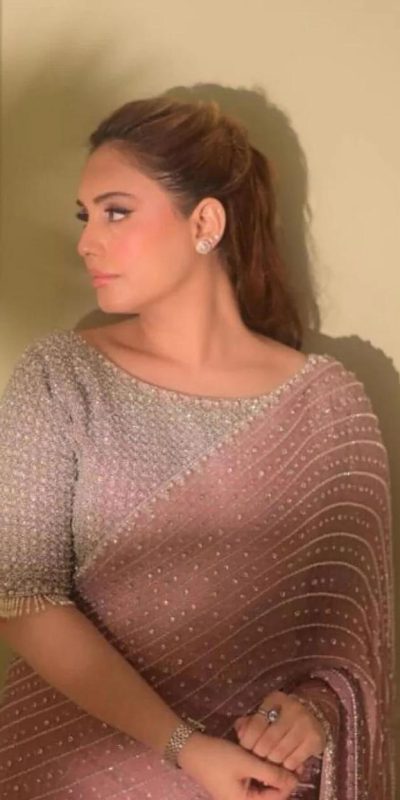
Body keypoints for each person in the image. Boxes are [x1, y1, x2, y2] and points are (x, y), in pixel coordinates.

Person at [0, 95, 394, 800]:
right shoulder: (62, 378)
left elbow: (352, 637)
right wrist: (183, 747)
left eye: (116, 212)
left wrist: (314, 712)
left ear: (205, 223)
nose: (87, 242)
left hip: (260, 782)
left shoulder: (329, 407)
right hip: (65, 771)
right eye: (85, 217)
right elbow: (21, 597)